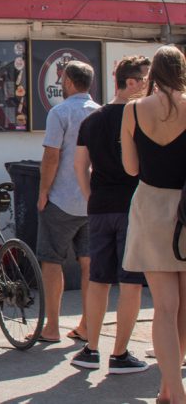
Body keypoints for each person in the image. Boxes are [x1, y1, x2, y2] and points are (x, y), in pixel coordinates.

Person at [69, 56, 150, 373]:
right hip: (132, 206)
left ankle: (90, 349)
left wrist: (90, 196)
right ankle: (120, 354)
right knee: (130, 283)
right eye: (143, 79)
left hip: (100, 206)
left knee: (99, 279)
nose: (146, 84)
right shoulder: (141, 116)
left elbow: (80, 164)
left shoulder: (91, 120)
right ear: (129, 83)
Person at [121, 45, 186, 404]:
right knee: (184, 306)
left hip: (150, 206)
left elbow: (131, 169)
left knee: (164, 306)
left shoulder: (133, 109)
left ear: (153, 74)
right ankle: (168, 388)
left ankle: (173, 390)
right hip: (185, 208)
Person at [37, 60, 98, 343]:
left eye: (62, 80)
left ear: (70, 83)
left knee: (52, 261)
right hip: (93, 200)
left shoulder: (60, 113)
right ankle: (87, 325)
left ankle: (52, 327)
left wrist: (43, 191)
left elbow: (52, 156)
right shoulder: (102, 113)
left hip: (61, 198)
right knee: (89, 264)